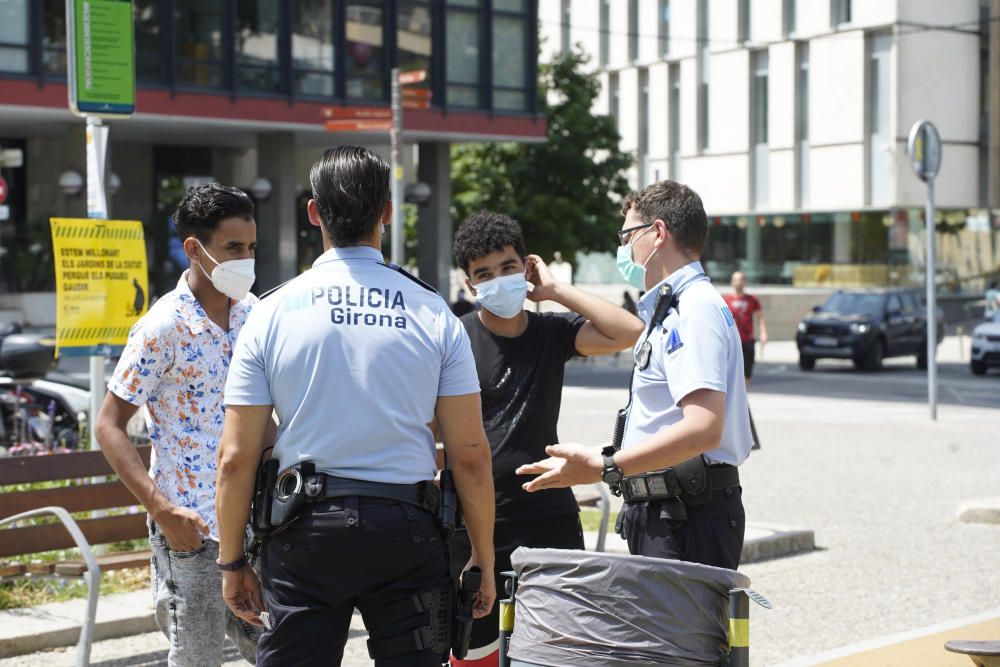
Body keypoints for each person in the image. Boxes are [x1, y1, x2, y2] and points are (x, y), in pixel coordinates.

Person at [214, 146, 496, 666]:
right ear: (387, 212)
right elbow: (471, 453)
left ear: (314, 212)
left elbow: (235, 456)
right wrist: (482, 553)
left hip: (304, 534)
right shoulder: (434, 312)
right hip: (407, 531)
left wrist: (232, 560)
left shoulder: (271, 312)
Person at [516, 180, 752, 571]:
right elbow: (664, 423)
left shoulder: (693, 309)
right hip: (671, 510)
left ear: (657, 233)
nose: (623, 249)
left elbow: (704, 429)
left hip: (685, 514)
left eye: (627, 235)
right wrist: (601, 455)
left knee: (679, 634)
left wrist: (608, 467)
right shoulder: (673, 306)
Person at [448, 211, 644, 666]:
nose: (498, 279)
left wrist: (555, 291)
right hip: (475, 522)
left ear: (527, 267)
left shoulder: (552, 332)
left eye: (508, 267)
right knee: (474, 656)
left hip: (549, 515)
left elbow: (630, 331)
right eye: (484, 273)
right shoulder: (455, 338)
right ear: (470, 283)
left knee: (557, 653)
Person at [95, 183, 261, 666]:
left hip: (256, 524)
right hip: (193, 532)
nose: (246, 259)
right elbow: (108, 425)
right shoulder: (161, 327)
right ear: (195, 248)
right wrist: (164, 511)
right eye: (233, 248)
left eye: (250, 247)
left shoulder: (254, 315)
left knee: (276, 650)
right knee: (197, 659)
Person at [723, 271, 768, 387]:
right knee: (732, 371)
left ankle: (744, 397)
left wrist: (763, 333)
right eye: (736, 279)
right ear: (732, 282)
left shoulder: (752, 299)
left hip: (747, 340)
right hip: (732, 341)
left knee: (747, 371)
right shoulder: (726, 300)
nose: (739, 282)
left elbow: (760, 316)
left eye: (741, 279)